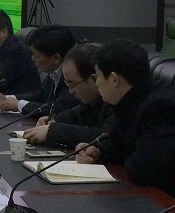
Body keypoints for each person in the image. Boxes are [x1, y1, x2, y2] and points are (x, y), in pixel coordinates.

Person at [75, 39, 175, 196]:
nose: (96, 83)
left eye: (98, 76)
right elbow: (117, 143)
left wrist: (121, 155)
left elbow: (142, 170)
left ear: (114, 80)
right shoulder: (129, 100)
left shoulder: (160, 108)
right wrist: (98, 151)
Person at [23, 43, 114, 149]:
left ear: (94, 79)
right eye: (67, 85)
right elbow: (76, 113)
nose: (70, 91)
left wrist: (53, 131)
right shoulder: (92, 99)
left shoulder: (114, 100)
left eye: (72, 85)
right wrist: (54, 120)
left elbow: (104, 135)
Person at [0, 24, 78, 116]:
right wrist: (7, 98)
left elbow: (57, 110)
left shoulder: (73, 76)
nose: (33, 58)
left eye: (37, 56)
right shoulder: (55, 71)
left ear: (56, 58)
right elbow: (40, 95)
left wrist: (18, 105)